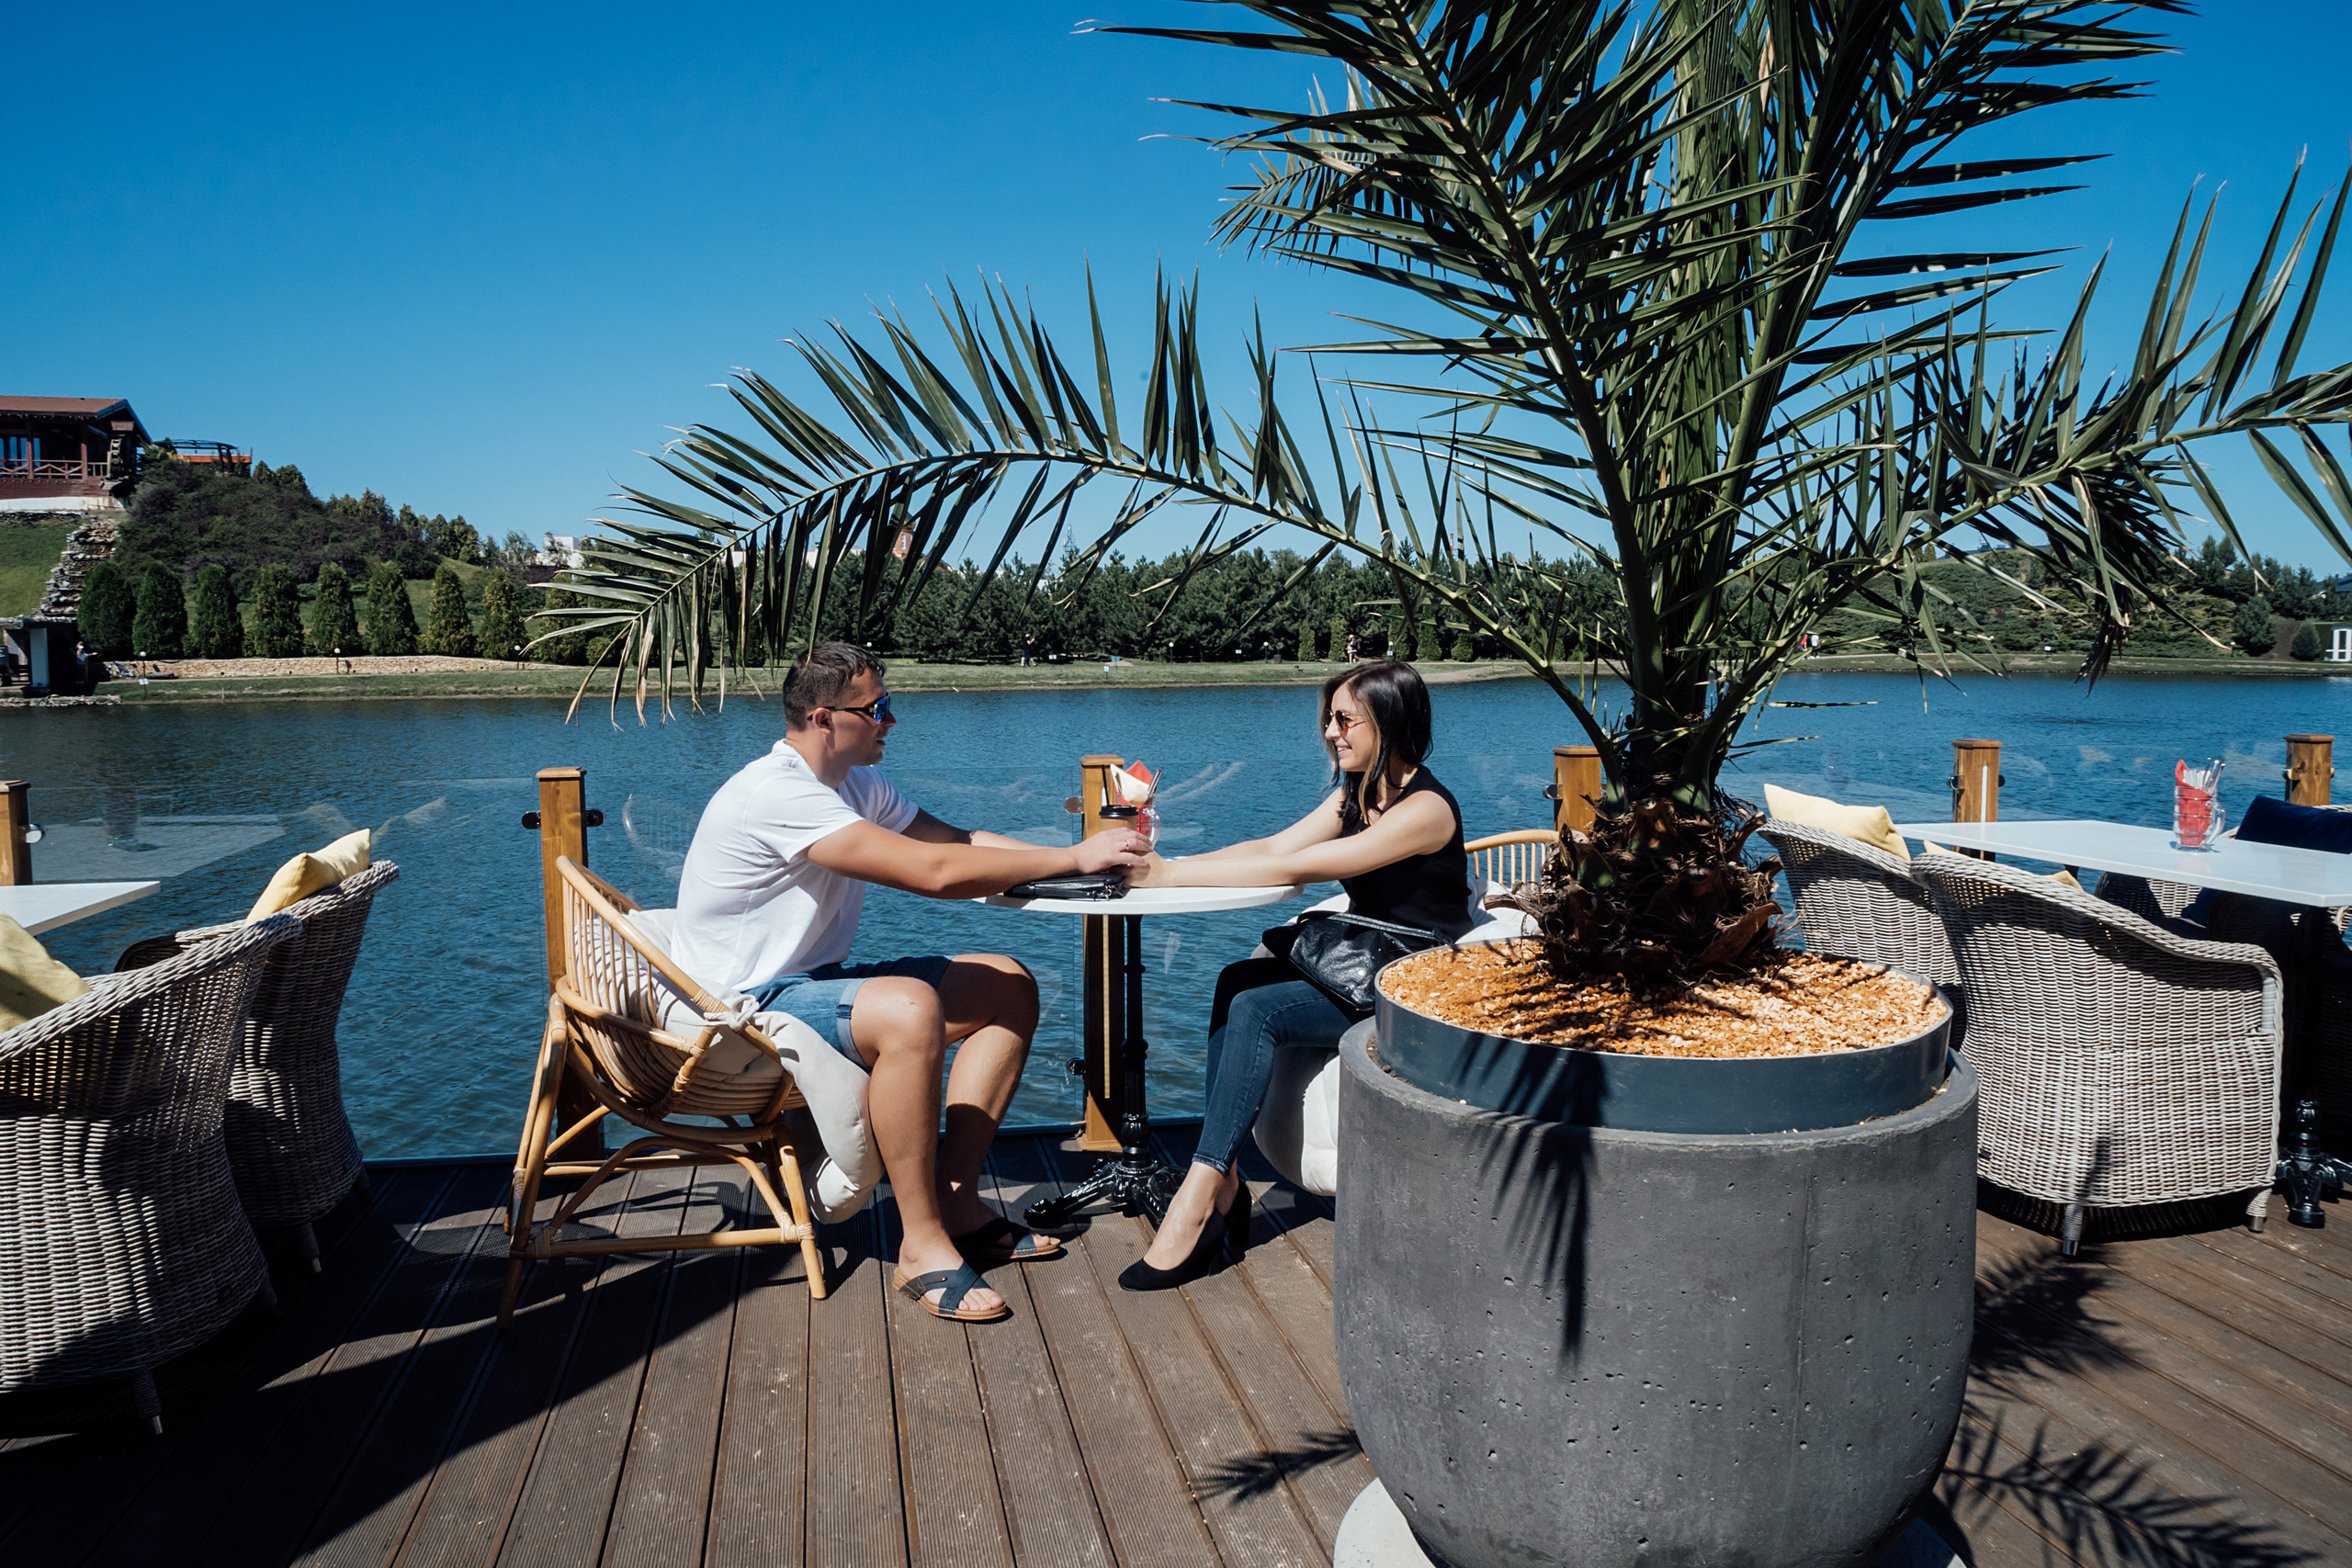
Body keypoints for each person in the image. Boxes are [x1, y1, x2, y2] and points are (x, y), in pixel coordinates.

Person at [672, 642, 1151, 1322]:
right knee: (910, 1007)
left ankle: (954, 1200)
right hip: (740, 1005)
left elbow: (953, 841)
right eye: (877, 709)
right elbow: (932, 875)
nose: (891, 721)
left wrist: (1082, 864)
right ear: (822, 718)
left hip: (808, 980)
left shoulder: (855, 784)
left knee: (1008, 986)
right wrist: (1074, 852)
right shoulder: (780, 794)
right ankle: (921, 1245)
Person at [1116, 660, 1475, 1289]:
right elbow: (1276, 849)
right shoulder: (1356, 792)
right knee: (1236, 981)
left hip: (1410, 983)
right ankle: (1224, 1178)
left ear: (1388, 721)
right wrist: (1171, 864)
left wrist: (1171, 877)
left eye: (1344, 719)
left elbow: (1307, 867)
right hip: (1368, 957)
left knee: (1258, 1010)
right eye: (1328, 719)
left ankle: (1201, 1193)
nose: (1331, 732)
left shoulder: (1426, 809)